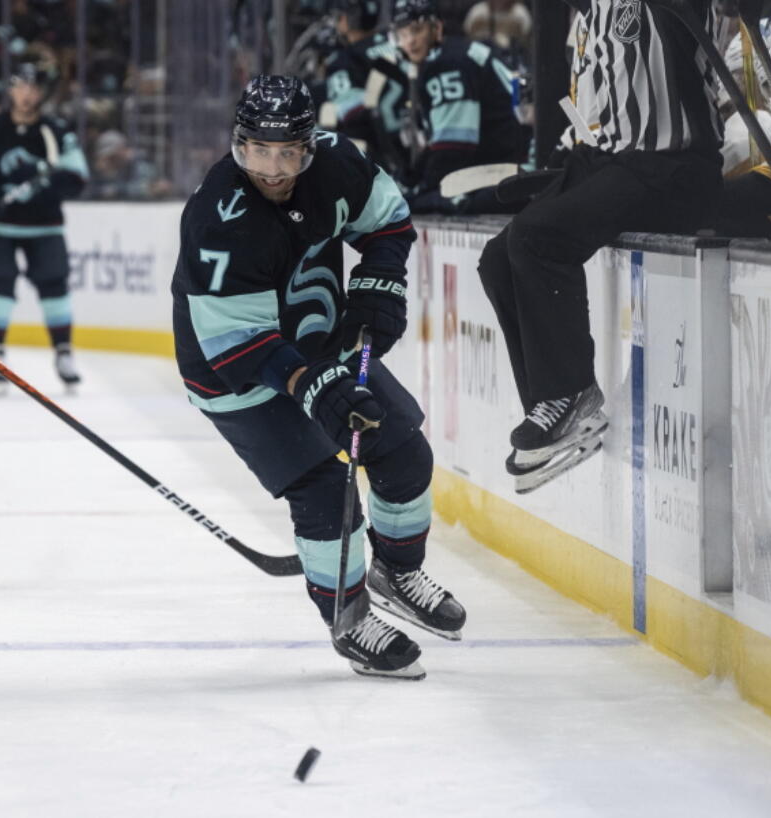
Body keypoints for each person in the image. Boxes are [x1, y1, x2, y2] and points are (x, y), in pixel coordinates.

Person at [171, 75, 466, 679]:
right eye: (258, 151)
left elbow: (388, 221)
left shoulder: (337, 165)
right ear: (238, 145)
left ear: (310, 146)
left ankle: (397, 569)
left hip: (317, 345)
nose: (273, 169)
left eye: (288, 153)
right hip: (237, 375)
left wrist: (380, 278)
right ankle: (350, 618)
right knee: (326, 493)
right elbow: (240, 346)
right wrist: (315, 387)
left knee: (405, 453)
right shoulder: (218, 217)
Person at [477, 0, 724, 492]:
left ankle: (570, 395)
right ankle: (549, 406)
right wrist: (563, 158)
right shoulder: (589, 13)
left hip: (674, 166)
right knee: (498, 259)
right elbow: (593, 101)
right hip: (608, 161)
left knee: (537, 238)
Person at [0, 62, 90, 393]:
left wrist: (46, 185)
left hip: (43, 226)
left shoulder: (56, 132)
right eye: (21, 86)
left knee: (54, 285)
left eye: (33, 88)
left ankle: (63, 353)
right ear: (11, 90)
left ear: (41, 93)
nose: (27, 94)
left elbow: (77, 177)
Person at [392, 0, 529, 213]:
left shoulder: (447, 64)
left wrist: (418, 190)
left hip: (505, 174)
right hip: (509, 167)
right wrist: (412, 177)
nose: (410, 41)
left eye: (416, 30)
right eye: (402, 34)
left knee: (416, 205)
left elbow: (453, 149)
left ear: (436, 28)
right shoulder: (454, 53)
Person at [322, 0, 417, 183]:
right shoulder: (399, 42)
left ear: (347, 19)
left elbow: (351, 116)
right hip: (419, 140)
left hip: (386, 154)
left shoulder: (345, 60)